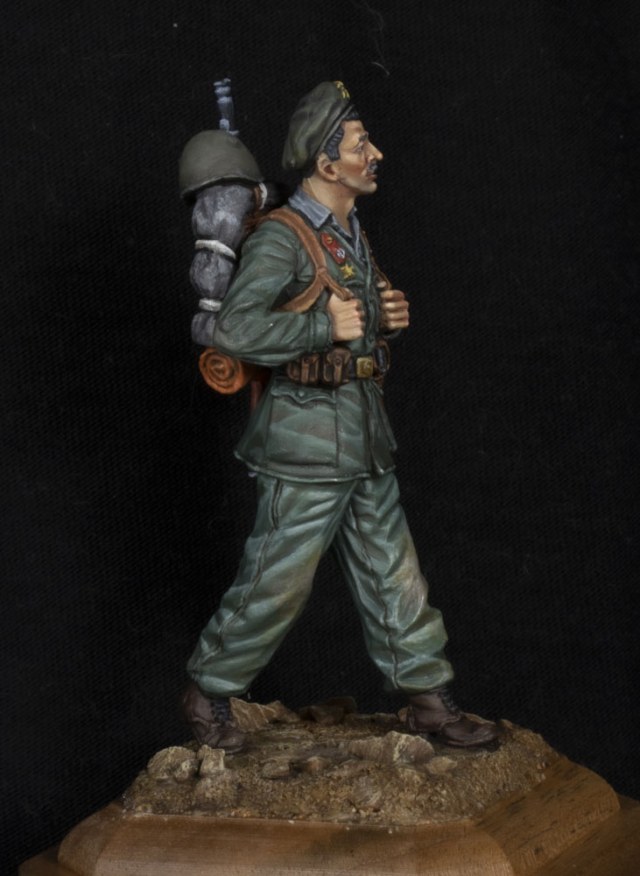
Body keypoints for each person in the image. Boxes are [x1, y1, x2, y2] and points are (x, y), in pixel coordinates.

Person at [182, 81, 499, 752]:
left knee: (394, 572)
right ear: (327, 164)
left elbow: (351, 319)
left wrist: (384, 319)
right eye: (360, 144)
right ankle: (209, 692)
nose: (374, 154)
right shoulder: (283, 239)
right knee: (277, 581)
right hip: (303, 444)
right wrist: (322, 327)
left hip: (360, 435)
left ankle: (428, 699)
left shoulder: (346, 233)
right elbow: (237, 329)